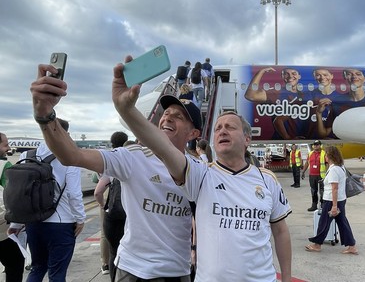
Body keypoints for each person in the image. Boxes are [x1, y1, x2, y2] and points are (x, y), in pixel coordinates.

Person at [110, 55, 292, 281]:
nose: (222, 131)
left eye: (230, 127)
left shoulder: (268, 180)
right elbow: (164, 147)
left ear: (247, 139)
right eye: (217, 128)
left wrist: (286, 277)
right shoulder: (201, 173)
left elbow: (281, 232)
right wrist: (127, 110)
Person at [30, 62, 200, 281]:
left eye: (178, 116)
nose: (167, 117)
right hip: (132, 270)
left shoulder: (199, 171)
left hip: (177, 272)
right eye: (166, 113)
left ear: (194, 132)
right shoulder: (133, 157)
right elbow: (72, 155)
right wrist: (44, 114)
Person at [21, 119, 86, 282]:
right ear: (65, 133)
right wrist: (80, 219)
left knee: (37, 269)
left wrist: (16, 224)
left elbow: (20, 191)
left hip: (33, 222)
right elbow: (73, 193)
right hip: (61, 223)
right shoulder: (70, 158)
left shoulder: (26, 155)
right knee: (57, 274)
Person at [305, 145, 358, 255]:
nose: (324, 157)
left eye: (326, 155)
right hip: (340, 200)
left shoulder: (334, 170)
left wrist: (334, 206)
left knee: (323, 222)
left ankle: (317, 245)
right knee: (342, 223)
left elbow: (334, 188)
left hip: (332, 200)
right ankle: (351, 246)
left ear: (329, 156)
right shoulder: (341, 167)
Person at [93, 131, 129, 281]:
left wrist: (103, 206)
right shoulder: (128, 158)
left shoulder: (108, 158)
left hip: (111, 200)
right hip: (128, 203)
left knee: (105, 236)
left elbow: (97, 190)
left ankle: (105, 264)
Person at [0, 132, 25, 282]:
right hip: (1, 228)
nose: (8, 148)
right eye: (5, 144)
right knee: (15, 263)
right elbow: (13, 195)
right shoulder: (4, 165)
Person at [302, 140, 327, 211]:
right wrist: (303, 171)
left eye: (317, 144)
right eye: (314, 145)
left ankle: (323, 205)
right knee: (313, 191)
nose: (315, 146)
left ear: (320, 145)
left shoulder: (324, 153)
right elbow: (307, 163)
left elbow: (327, 164)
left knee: (322, 191)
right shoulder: (310, 154)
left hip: (321, 176)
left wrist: (328, 173)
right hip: (312, 176)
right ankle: (314, 205)